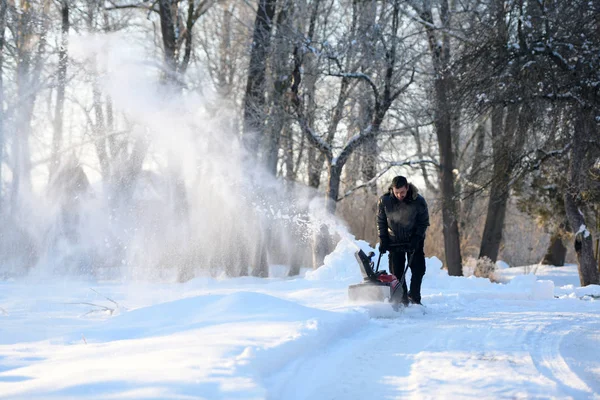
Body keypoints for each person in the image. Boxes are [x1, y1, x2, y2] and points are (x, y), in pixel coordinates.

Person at [377, 176, 429, 305]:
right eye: (397, 192)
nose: (400, 195)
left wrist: (417, 238)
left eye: (402, 192)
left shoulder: (418, 201)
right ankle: (403, 298)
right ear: (392, 189)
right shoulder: (385, 201)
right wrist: (383, 239)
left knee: (418, 270)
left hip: (414, 241)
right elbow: (381, 221)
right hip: (394, 241)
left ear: (407, 187)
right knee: (397, 272)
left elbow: (423, 222)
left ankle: (415, 297)